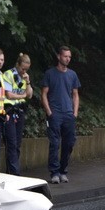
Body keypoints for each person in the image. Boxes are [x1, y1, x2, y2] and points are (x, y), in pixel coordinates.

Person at [40, 45, 81, 184]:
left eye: (69, 57)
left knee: (69, 143)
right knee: (55, 143)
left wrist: (75, 112)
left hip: (69, 114)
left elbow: (75, 94)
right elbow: (44, 94)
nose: (68, 59)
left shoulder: (72, 75)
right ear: (59, 56)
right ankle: (55, 172)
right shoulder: (50, 73)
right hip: (55, 114)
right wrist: (49, 112)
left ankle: (63, 170)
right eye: (65, 56)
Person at [1, 53, 34, 175]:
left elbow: (30, 95)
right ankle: (15, 173)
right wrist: (23, 95)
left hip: (20, 111)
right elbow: (9, 95)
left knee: (18, 143)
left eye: (26, 69)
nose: (24, 71)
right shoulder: (9, 74)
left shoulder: (25, 77)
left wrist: (28, 82)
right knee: (11, 142)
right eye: (22, 68)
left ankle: (11, 171)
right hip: (9, 110)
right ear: (18, 65)